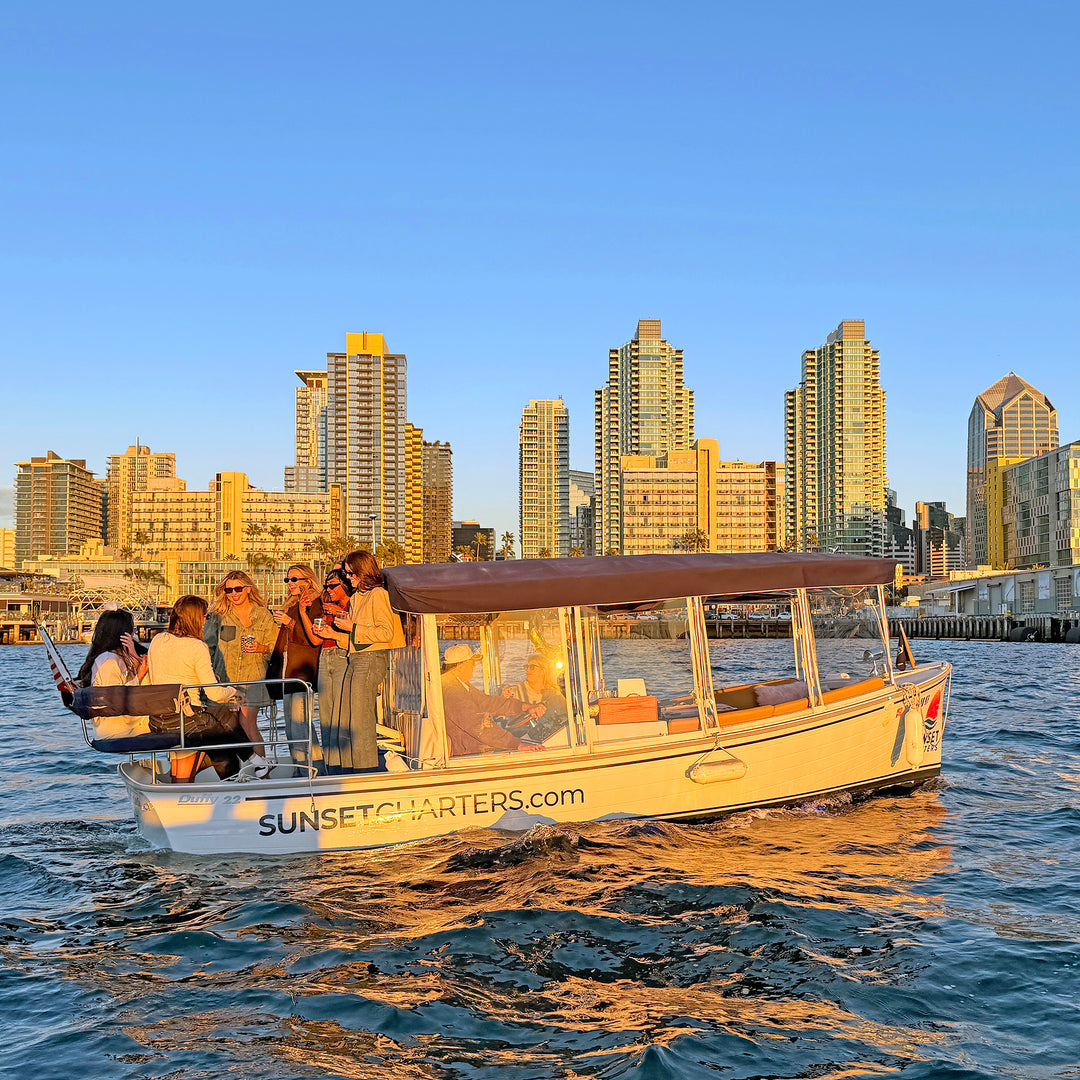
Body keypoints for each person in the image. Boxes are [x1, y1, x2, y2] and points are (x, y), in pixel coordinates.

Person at [317, 550, 404, 773]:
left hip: (372, 659)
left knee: (360, 717)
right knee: (347, 715)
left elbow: (386, 633)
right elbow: (355, 639)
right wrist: (334, 633)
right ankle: (347, 768)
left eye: (350, 572)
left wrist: (352, 627)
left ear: (362, 571)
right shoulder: (357, 598)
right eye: (346, 573)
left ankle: (365, 770)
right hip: (355, 658)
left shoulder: (378, 595)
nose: (347, 577)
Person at [147, 595, 249, 783]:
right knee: (222, 745)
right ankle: (248, 767)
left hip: (159, 719)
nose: (205, 620)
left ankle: (251, 762)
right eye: (204, 616)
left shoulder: (158, 640)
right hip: (187, 721)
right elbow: (215, 694)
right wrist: (234, 691)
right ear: (196, 618)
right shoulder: (197, 646)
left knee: (221, 730)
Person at [206, 571, 277, 761]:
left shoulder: (263, 615)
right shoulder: (218, 615)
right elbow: (207, 647)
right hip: (225, 679)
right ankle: (238, 770)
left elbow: (276, 647)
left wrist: (261, 648)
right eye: (229, 590)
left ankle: (263, 772)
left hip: (253, 679)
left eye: (238, 589)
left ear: (248, 589)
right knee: (227, 727)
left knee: (247, 724)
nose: (234, 594)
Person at [440, 643, 547, 756]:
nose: (474, 666)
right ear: (460, 666)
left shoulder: (459, 685)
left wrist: (525, 707)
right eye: (471, 663)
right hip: (466, 756)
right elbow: (479, 726)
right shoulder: (452, 691)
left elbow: (489, 702)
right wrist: (516, 745)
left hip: (471, 750)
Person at [271, 563, 324, 770]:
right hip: (288, 670)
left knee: (302, 725)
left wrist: (289, 623)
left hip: (303, 670)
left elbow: (313, 638)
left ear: (308, 581)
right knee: (292, 728)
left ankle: (313, 768)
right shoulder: (292, 604)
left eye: (294, 579)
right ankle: (299, 768)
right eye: (288, 580)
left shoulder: (315, 603)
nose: (290, 584)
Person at [75, 609, 151, 741]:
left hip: (118, 725)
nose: (135, 633)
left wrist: (135, 661)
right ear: (123, 635)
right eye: (132, 630)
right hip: (117, 729)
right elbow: (116, 700)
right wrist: (140, 674)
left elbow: (122, 686)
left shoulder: (115, 658)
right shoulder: (109, 661)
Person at [310, 568, 352, 764]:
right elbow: (317, 640)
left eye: (333, 585)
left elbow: (361, 631)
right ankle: (331, 762)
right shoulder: (328, 605)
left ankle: (345, 761)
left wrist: (341, 612)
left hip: (342, 655)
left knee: (341, 713)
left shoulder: (354, 604)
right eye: (327, 586)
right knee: (325, 713)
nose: (328, 589)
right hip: (325, 654)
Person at [502, 654, 568, 742]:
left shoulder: (555, 694)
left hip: (552, 741)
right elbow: (500, 709)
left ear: (543, 671)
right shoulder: (516, 691)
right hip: (524, 742)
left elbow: (566, 718)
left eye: (532, 667)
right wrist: (503, 695)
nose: (528, 671)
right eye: (527, 667)